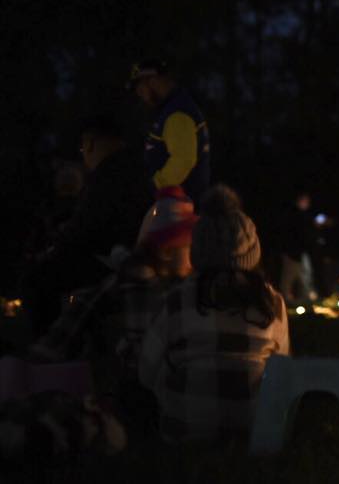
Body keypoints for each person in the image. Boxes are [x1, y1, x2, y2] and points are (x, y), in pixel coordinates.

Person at [31, 189, 197, 435]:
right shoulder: (161, 291)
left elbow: (63, 334)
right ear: (167, 250)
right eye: (188, 245)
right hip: (137, 394)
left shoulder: (125, 283)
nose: (194, 254)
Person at [139, 184, 289, 444]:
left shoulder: (177, 299)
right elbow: (283, 369)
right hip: (257, 431)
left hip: (185, 433)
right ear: (252, 251)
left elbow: (146, 371)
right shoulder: (272, 302)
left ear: (198, 250)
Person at [21, 115, 152, 336]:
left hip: (112, 264)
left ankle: (49, 349)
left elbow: (86, 229)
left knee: (36, 278)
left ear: (89, 144)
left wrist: (55, 244)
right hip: (130, 258)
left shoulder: (107, 175)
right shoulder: (138, 170)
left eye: (83, 150)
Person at [129, 58, 211, 202]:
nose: (141, 97)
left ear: (153, 81)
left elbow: (183, 159)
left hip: (178, 209)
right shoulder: (171, 109)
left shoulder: (177, 114)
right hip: (177, 205)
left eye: (141, 90)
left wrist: (154, 186)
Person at [279, 191, 318, 306]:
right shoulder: (295, 215)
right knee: (289, 275)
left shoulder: (299, 215)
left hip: (299, 252)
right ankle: (285, 299)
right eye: (305, 201)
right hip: (292, 252)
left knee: (304, 274)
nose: (308, 203)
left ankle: (306, 297)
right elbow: (299, 234)